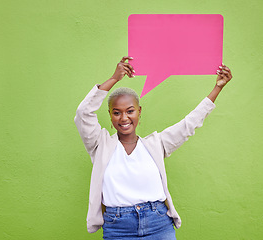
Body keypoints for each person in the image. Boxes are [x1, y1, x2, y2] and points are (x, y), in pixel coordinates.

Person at [74, 56, 233, 239]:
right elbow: (83, 113)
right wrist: (114, 78)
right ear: (110, 115)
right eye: (116, 113)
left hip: (158, 224)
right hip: (118, 228)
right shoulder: (100, 145)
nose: (124, 118)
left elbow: (189, 124)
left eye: (130, 111)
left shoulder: (156, 144)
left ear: (139, 112)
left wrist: (218, 88)